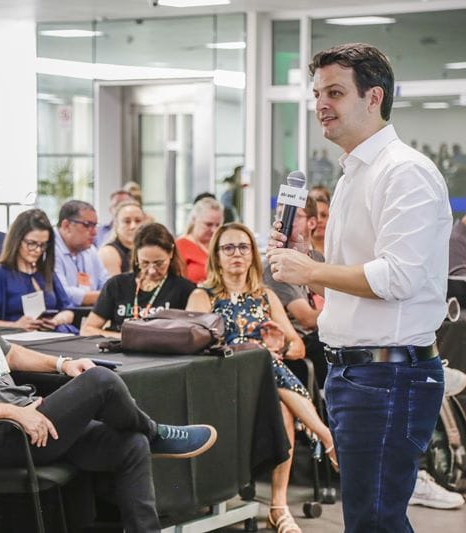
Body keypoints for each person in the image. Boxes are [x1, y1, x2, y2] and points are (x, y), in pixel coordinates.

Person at [0, 225, 218, 533]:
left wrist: (62, 363)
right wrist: (13, 412)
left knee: (131, 445)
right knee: (100, 381)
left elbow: (7, 353)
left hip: (23, 421)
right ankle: (156, 431)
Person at [266, 43, 450, 533]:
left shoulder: (403, 171)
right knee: (370, 519)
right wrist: (309, 255)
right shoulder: (354, 171)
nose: (321, 104)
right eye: (317, 93)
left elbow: (397, 277)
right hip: (355, 373)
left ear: (374, 97)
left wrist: (310, 272)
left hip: (389, 377)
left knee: (374, 522)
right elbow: (357, 271)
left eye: (335, 92)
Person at [189, 222, 336, 533]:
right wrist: (253, 349)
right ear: (216, 256)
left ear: (253, 254)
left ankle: (278, 506)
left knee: (278, 397)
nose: (236, 254)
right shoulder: (203, 296)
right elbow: (196, 350)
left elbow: (296, 346)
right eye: (228, 248)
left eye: (243, 247)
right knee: (259, 358)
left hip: (267, 386)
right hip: (222, 382)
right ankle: (325, 435)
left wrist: (279, 343)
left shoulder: (265, 295)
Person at [82, 223, 200, 339]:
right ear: (136, 256)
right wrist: (123, 338)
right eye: (145, 263)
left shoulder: (184, 289)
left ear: (171, 253)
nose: (152, 271)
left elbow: (192, 335)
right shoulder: (117, 285)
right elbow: (88, 329)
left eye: (159, 263)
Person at [262, 197, 329, 390]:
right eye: (280, 215)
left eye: (294, 215)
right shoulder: (275, 267)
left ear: (312, 222)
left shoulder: (317, 258)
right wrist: (345, 309)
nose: (285, 222)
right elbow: (306, 319)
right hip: (299, 340)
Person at [0, 209, 73, 332]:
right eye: (32, 243)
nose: (37, 250)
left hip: (50, 336)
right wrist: (15, 325)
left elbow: (68, 311)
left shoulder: (46, 272)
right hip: (16, 341)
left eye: (43, 245)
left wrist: (56, 320)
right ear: (17, 240)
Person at [54, 200, 109, 307]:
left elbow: (107, 283)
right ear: (66, 226)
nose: (95, 232)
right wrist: (105, 296)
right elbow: (63, 293)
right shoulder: (49, 249)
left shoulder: (90, 249)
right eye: (88, 225)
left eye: (95, 226)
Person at [175, 197, 224, 284]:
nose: (214, 230)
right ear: (194, 220)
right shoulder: (180, 246)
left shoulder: (223, 246)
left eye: (218, 225)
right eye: (208, 224)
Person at [97, 201, 145, 277]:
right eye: (127, 221)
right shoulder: (108, 252)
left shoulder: (147, 248)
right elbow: (116, 287)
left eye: (138, 221)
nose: (133, 226)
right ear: (116, 224)